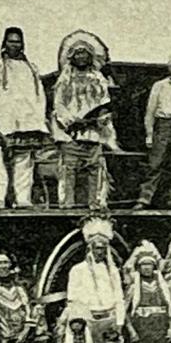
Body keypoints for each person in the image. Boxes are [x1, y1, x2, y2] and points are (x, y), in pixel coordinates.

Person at [0, 27, 49, 208]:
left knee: (24, 161)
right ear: (4, 43)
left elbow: (39, 96)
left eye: (17, 41)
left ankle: (23, 198)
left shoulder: (31, 68)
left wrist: (39, 119)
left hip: (27, 121)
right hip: (3, 121)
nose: (14, 45)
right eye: (11, 41)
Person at [51, 31, 118, 209]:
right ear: (71, 57)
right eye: (77, 53)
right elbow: (59, 105)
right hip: (70, 134)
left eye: (85, 53)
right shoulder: (64, 80)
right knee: (68, 171)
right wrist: (73, 121)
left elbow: (105, 104)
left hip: (93, 134)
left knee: (96, 170)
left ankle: (96, 206)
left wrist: (97, 120)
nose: (81, 57)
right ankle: (67, 206)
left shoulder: (99, 79)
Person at [134, 55, 171, 209]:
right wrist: (149, 133)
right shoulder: (159, 86)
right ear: (169, 68)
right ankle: (145, 198)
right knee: (156, 162)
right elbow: (150, 110)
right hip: (163, 125)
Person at [65, 216, 125, 343]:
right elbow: (72, 299)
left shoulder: (113, 271)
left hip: (110, 320)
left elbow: (119, 298)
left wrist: (119, 323)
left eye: (103, 249)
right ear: (90, 249)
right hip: (87, 320)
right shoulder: (78, 270)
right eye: (97, 248)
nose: (100, 252)